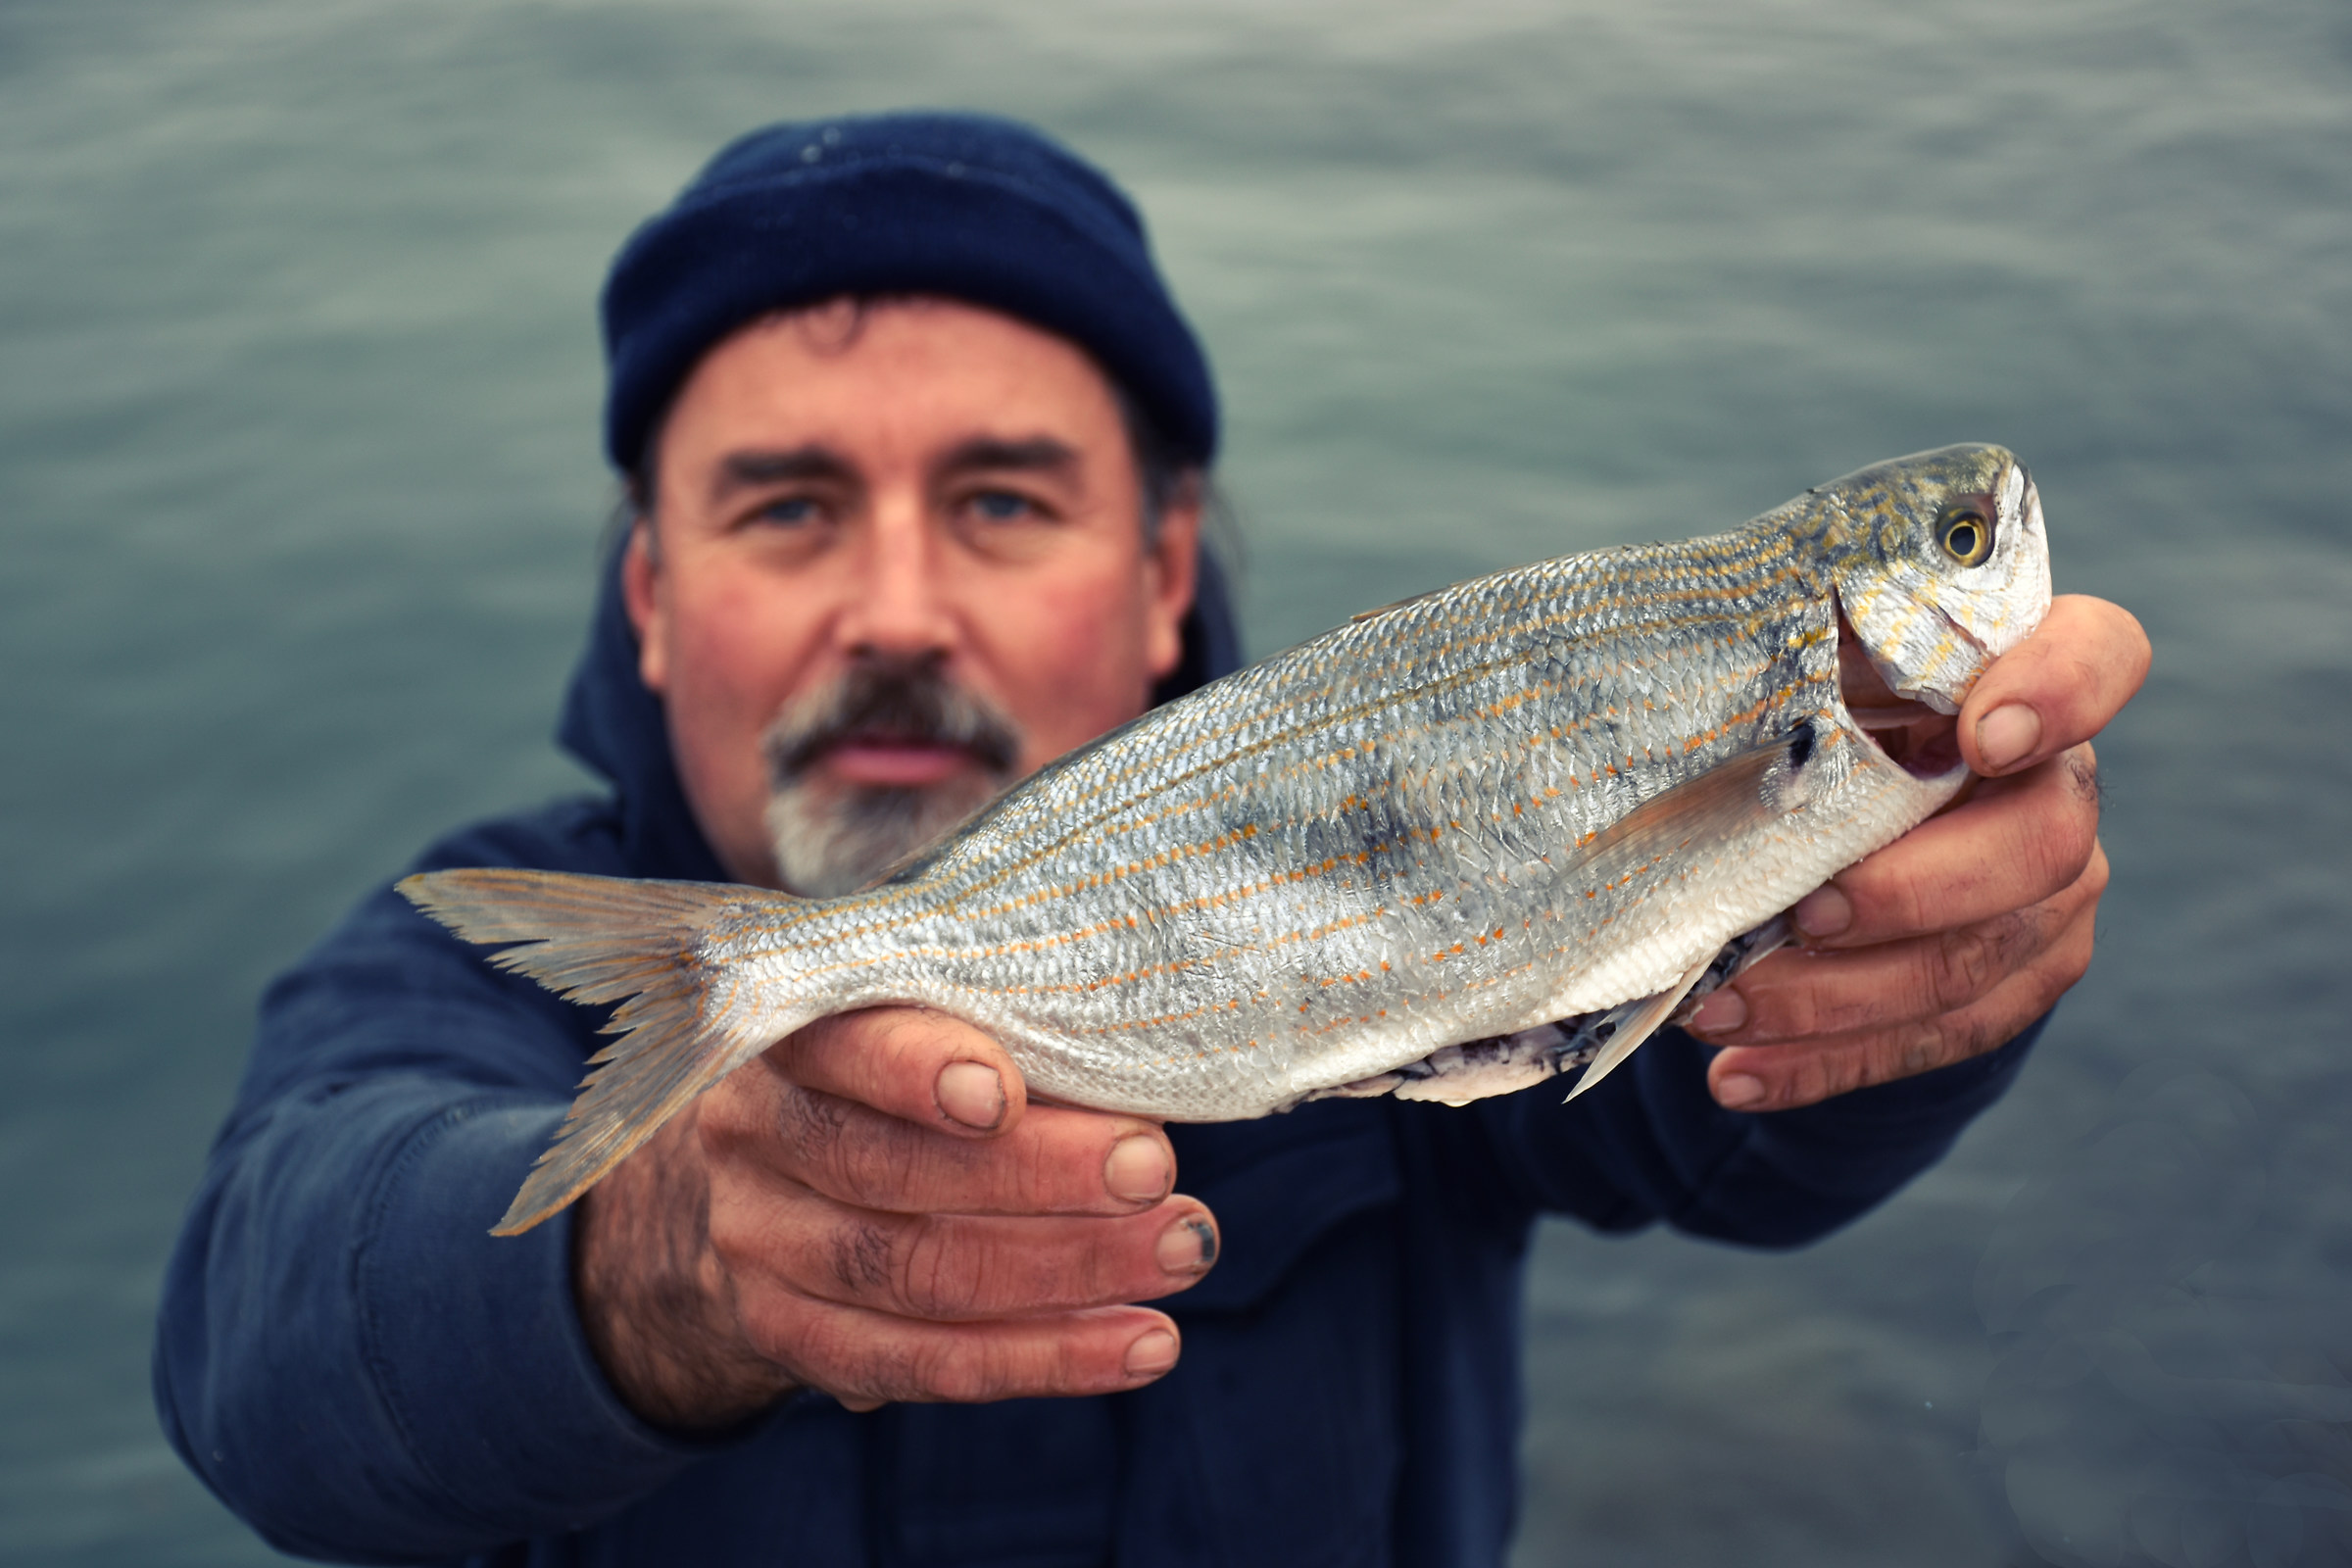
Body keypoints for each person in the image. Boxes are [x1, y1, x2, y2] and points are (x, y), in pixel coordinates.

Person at [155, 112, 2148, 1566]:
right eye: (786, 508)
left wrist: (1916, 973)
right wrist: (645, 1260)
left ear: (1167, 571)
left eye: (1006, 500)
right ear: (652, 592)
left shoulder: (1420, 834)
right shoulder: (458, 964)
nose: (901, 611)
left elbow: (1708, 1120)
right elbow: (269, 1354)